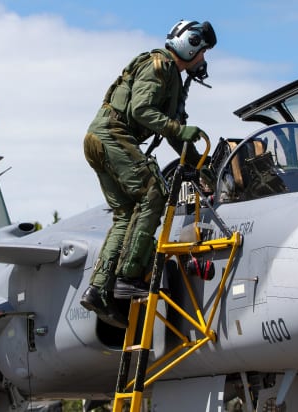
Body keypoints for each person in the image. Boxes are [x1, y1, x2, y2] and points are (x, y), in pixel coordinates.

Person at [80, 20, 217, 329]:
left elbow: (173, 137)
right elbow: (142, 111)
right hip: (113, 135)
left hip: (99, 138)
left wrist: (200, 166)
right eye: (203, 51)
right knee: (154, 192)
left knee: (127, 213)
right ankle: (128, 277)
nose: (204, 59)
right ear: (190, 45)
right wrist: (179, 128)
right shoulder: (160, 65)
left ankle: (99, 290)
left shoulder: (173, 80)